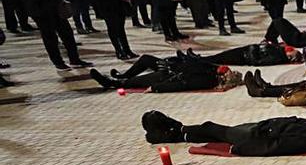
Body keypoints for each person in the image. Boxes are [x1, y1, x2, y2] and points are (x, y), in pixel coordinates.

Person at [140, 110, 306, 156]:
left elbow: (278, 147)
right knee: (215, 132)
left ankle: (173, 131)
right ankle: (176, 130)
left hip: (255, 136)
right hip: (262, 127)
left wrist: (242, 149)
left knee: (213, 128)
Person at [89, 54, 243, 93]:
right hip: (170, 67)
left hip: (167, 76)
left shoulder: (208, 80)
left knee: (135, 82)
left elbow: (183, 85)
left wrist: (157, 88)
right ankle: (123, 75)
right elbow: (191, 62)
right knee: (146, 59)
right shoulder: (210, 67)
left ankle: (113, 82)